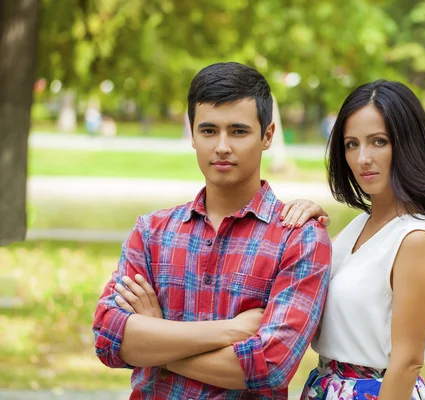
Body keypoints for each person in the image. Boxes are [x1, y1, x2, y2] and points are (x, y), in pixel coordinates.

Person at [92, 62, 332, 399]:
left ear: (267, 136)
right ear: (192, 134)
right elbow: (108, 339)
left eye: (238, 131)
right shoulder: (151, 233)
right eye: (208, 131)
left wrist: (157, 341)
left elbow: (270, 365)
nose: (222, 146)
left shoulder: (299, 238)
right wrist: (230, 331)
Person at [281, 80, 425, 400]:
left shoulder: (414, 237)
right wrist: (313, 232)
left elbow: (408, 362)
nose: (363, 158)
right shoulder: (360, 225)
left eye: (378, 141)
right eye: (351, 144)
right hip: (326, 384)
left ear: (407, 144)